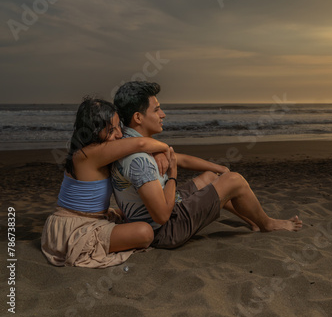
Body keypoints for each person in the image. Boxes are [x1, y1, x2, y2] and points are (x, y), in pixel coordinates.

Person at [111, 81, 302, 249]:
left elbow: (181, 158)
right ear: (138, 117)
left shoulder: (127, 142)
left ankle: (252, 221)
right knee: (234, 180)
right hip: (166, 231)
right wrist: (172, 175)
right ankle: (267, 224)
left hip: (168, 209)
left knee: (211, 177)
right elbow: (162, 216)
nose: (163, 114)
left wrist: (218, 169)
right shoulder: (139, 161)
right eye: (156, 110)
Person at [41, 97, 171, 268]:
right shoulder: (87, 154)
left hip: (91, 217)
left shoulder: (101, 151)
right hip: (73, 228)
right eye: (111, 130)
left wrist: (159, 153)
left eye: (119, 127)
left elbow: (140, 146)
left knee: (129, 213)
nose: (119, 134)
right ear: (94, 131)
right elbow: (140, 143)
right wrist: (164, 148)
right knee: (145, 232)